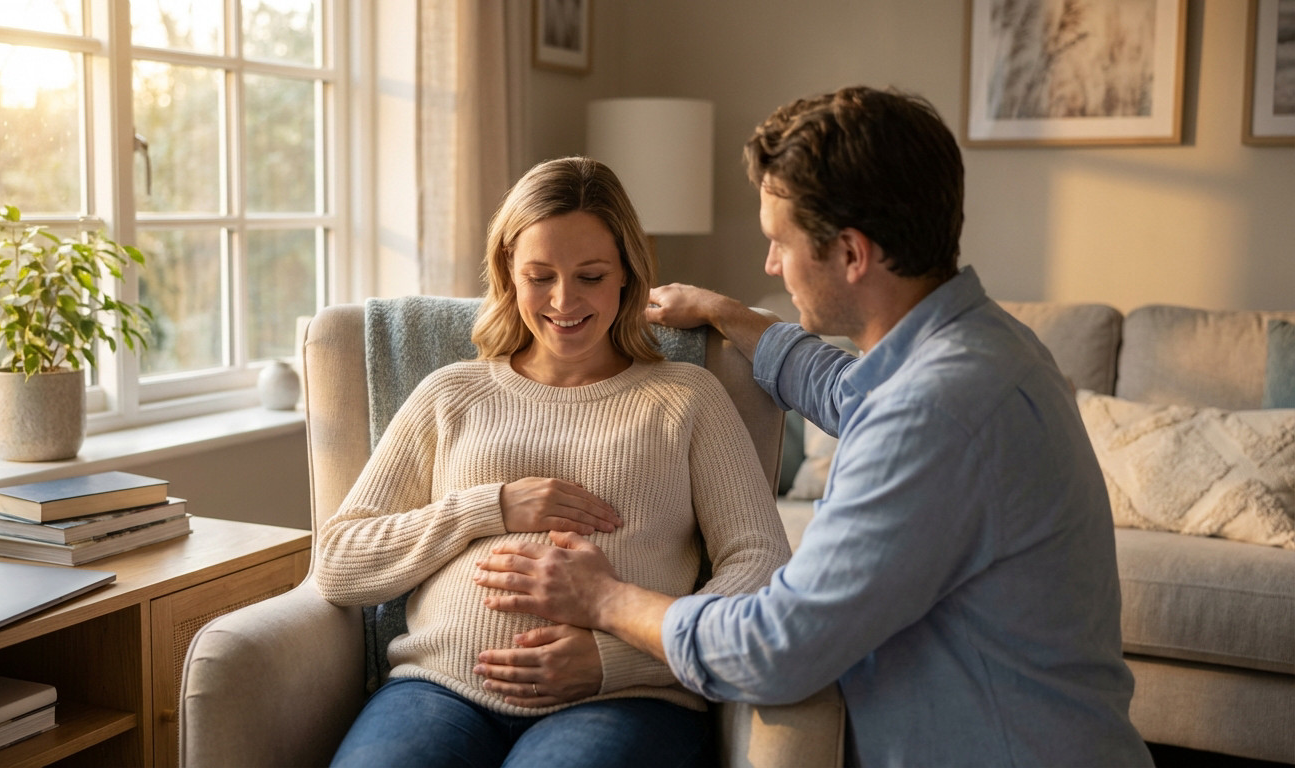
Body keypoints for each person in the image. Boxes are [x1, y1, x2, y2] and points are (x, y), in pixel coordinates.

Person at [473, 87, 1155, 766]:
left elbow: (773, 650)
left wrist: (607, 597)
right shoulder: (983, 343)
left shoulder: (931, 414)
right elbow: (842, 389)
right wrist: (727, 314)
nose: (771, 264)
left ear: (852, 254)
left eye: (779, 241)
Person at [314, 156, 790, 768]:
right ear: (508, 273)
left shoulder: (686, 398)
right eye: (540, 276)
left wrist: (615, 657)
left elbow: (761, 564)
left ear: (627, 275)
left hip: (625, 697)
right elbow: (339, 563)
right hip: (437, 691)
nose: (565, 301)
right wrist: (489, 508)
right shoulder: (450, 392)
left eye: (591, 275)